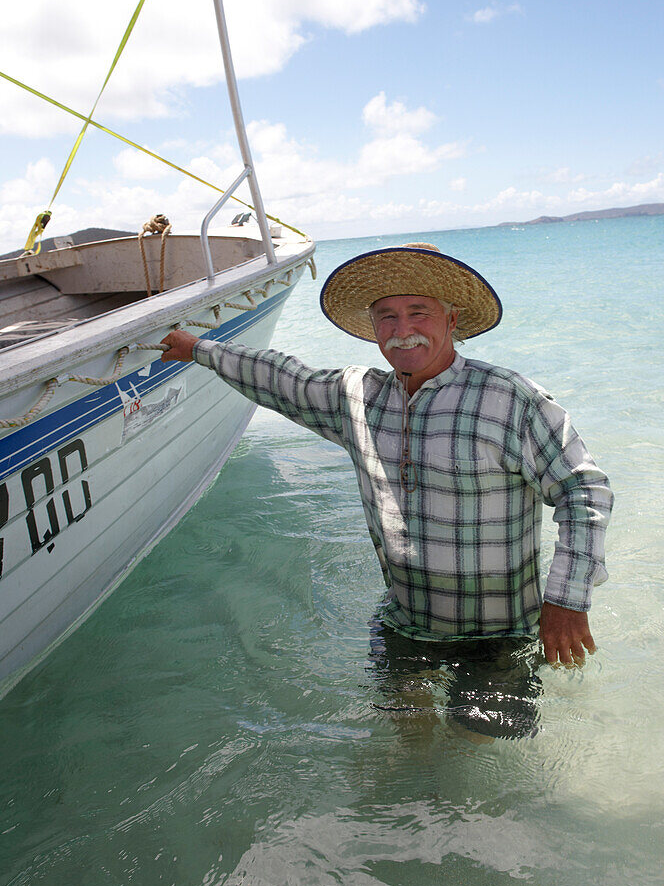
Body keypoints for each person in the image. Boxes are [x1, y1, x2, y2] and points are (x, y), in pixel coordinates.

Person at [161, 243, 613, 738]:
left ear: (452, 318)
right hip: (405, 625)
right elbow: (279, 378)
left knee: (484, 755)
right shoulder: (357, 396)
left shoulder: (510, 398)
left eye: (418, 312)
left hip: (500, 635)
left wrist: (567, 600)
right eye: (386, 317)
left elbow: (582, 489)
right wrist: (196, 349)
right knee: (405, 750)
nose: (402, 331)